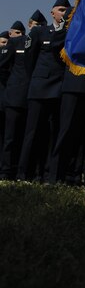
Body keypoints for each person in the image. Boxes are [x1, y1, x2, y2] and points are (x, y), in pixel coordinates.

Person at [48, 8, 85, 186]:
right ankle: (57, 176)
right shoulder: (76, 14)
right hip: (75, 83)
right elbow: (56, 46)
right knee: (67, 132)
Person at [18, 0, 71, 181]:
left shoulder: (69, 32)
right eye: (61, 10)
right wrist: (37, 78)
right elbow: (28, 59)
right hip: (40, 87)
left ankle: (48, 175)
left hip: (59, 88)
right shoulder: (40, 32)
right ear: (52, 12)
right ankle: (24, 174)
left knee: (53, 134)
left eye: (67, 10)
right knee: (32, 133)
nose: (64, 13)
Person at [0, 20, 32, 179]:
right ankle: (6, 171)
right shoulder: (15, 44)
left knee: (23, 137)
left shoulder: (33, 44)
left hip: (31, 95)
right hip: (14, 95)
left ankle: (21, 171)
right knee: (10, 137)